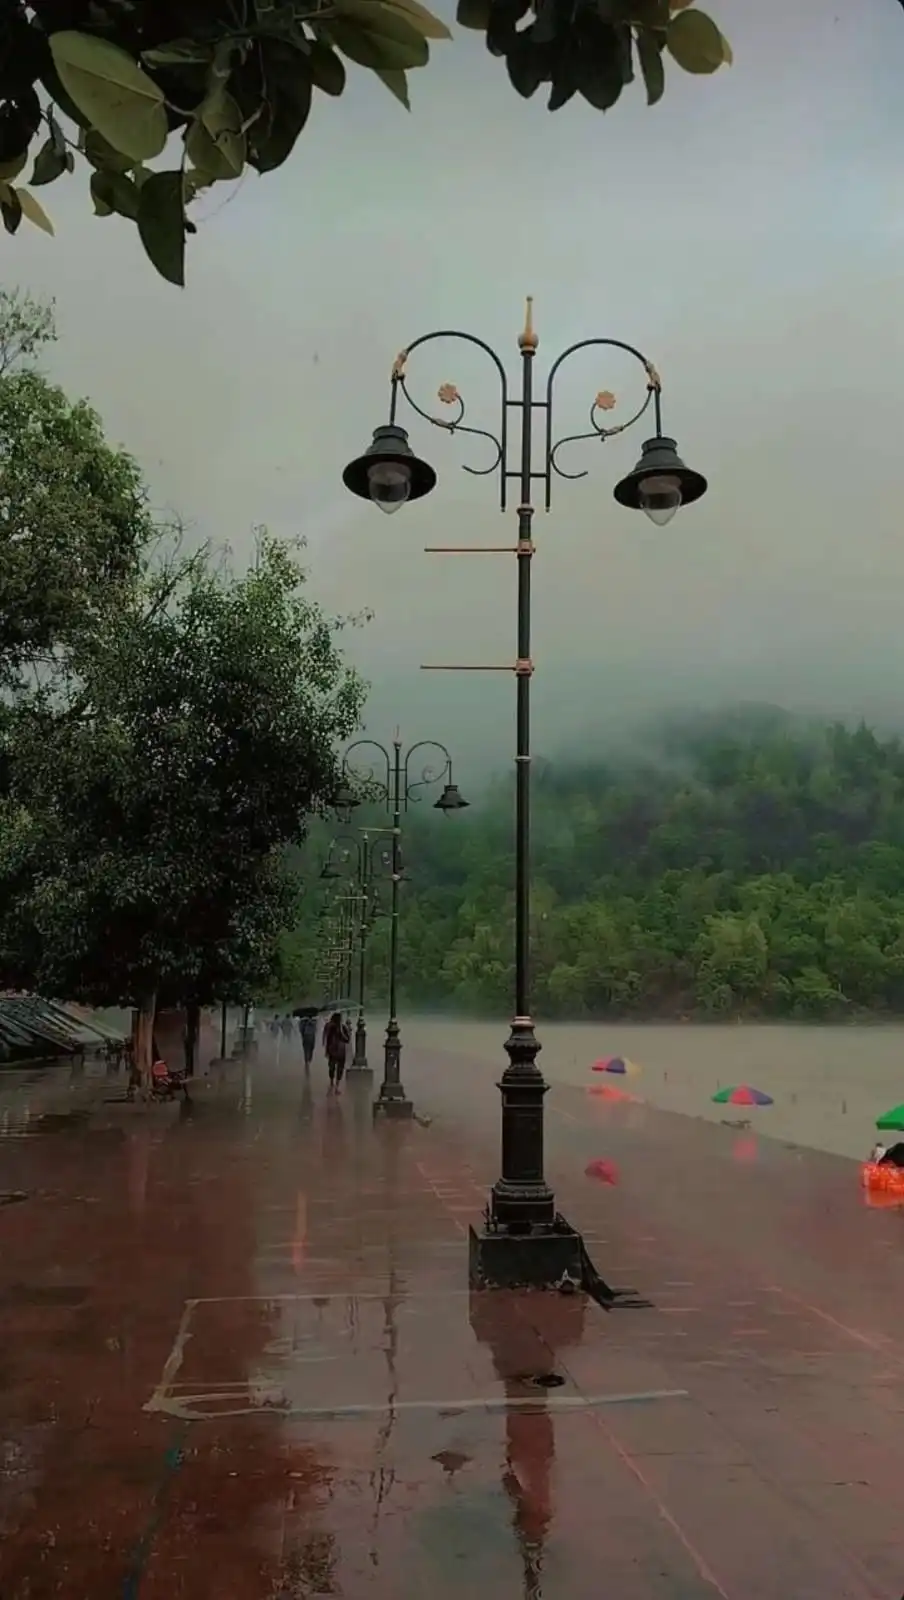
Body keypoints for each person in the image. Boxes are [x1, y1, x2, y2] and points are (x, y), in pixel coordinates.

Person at [323, 1011, 350, 1093]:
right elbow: (328, 1039)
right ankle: (332, 1083)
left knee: (340, 1068)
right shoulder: (331, 1027)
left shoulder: (343, 1027)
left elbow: (347, 1039)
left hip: (340, 1051)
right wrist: (327, 1050)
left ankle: (336, 1086)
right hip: (334, 1050)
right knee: (332, 1067)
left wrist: (342, 1033)